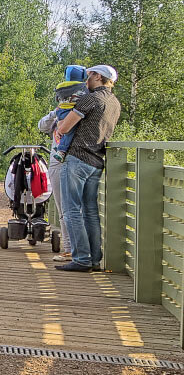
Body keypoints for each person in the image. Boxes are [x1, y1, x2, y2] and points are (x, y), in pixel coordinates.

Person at [54, 65, 122, 273]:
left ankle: (81, 258)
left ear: (98, 77)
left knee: (71, 210)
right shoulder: (115, 103)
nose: (86, 81)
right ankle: (93, 259)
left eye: (90, 76)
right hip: (96, 161)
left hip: (77, 159)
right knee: (90, 212)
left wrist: (60, 122)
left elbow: (64, 127)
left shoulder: (91, 99)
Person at [38, 65, 89, 261]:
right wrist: (54, 114)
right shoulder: (79, 106)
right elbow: (42, 125)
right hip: (75, 162)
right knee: (74, 210)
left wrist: (56, 114)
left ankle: (71, 250)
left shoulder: (72, 109)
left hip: (64, 163)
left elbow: (43, 126)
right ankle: (75, 249)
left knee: (66, 210)